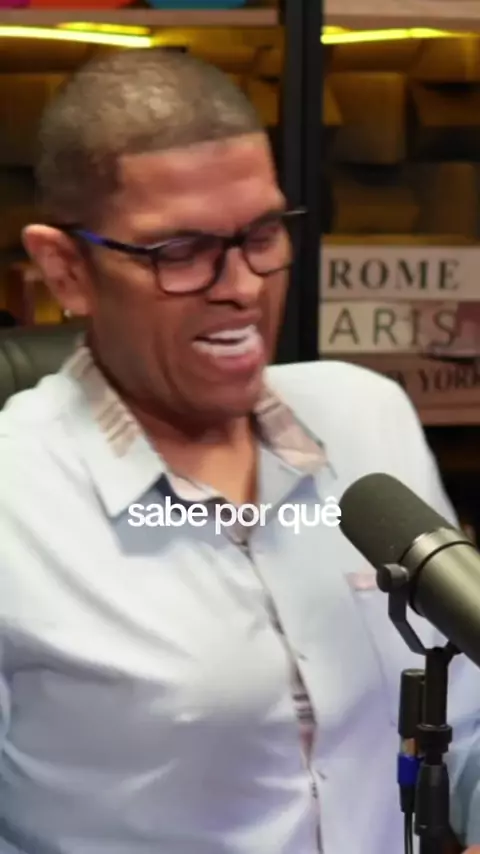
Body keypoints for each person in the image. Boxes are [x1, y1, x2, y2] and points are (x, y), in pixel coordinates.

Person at [0, 47, 478, 854]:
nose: (244, 287)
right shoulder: (16, 496)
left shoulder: (368, 418)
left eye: (261, 234)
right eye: (179, 252)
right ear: (66, 269)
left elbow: (466, 720)